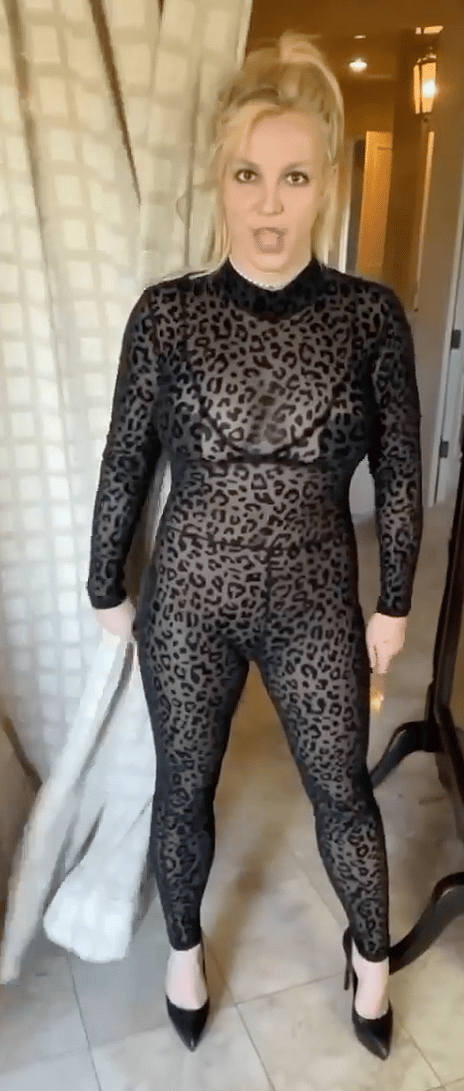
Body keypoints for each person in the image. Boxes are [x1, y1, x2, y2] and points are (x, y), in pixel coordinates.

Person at [86, 30, 423, 1059]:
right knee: (182, 786)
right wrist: (104, 582)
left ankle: (370, 960)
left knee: (341, 789)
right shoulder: (167, 315)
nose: (269, 204)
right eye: (247, 175)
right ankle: (183, 951)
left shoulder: (367, 318)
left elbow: (401, 471)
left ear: (324, 183)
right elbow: (126, 457)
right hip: (188, 597)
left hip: (313, 597)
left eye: (293, 177)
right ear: (219, 180)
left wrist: (394, 599)